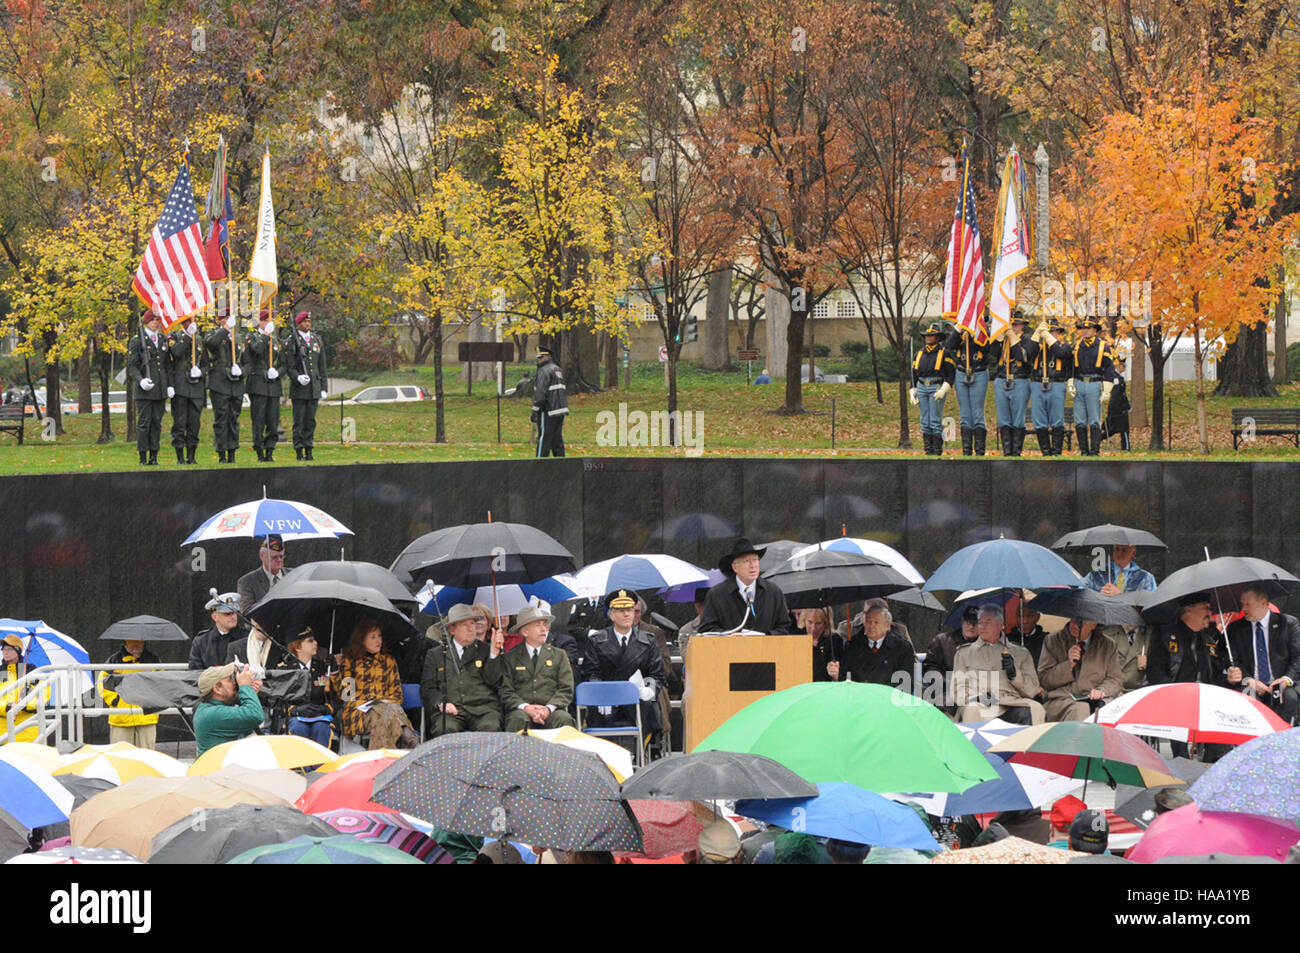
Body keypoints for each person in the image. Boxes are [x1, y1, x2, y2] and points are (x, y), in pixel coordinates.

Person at [581, 590, 667, 742]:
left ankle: (642, 754)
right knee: (597, 718)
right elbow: (591, 673)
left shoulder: (648, 640)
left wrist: (650, 689)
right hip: (606, 700)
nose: (626, 614)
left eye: (630, 610)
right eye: (621, 611)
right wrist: (601, 696)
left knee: (649, 709)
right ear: (611, 615)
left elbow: (657, 674)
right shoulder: (597, 640)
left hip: (637, 700)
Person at [331, 621, 420, 750]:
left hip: (387, 711)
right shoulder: (350, 661)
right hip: (358, 711)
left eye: (379, 636)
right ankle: (410, 741)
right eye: (373, 637)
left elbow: (397, 695)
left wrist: (381, 704)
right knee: (386, 711)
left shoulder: (388, 661)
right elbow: (347, 695)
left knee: (383, 715)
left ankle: (379, 760)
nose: (378, 640)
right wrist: (335, 671)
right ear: (361, 639)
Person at [420, 603, 504, 737]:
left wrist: (494, 653)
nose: (471, 629)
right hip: (451, 710)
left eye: (473, 623)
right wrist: (441, 703)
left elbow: (494, 680)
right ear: (452, 629)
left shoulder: (486, 650)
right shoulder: (436, 654)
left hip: (483, 710)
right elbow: (428, 687)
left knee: (491, 727)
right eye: (464, 625)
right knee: (444, 729)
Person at [953, 606, 1044, 724]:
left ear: (1001, 625)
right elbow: (957, 689)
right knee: (972, 710)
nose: (982, 626)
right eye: (980, 622)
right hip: (979, 704)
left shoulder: (1020, 653)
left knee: (1034, 710)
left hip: (1010, 703)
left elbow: (1033, 690)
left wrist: (1015, 675)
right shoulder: (964, 653)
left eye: (988, 622)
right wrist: (975, 698)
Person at [1225, 586, 1300, 723]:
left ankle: (1280, 740)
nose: (1244, 609)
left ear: (1263, 603)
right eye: (1242, 604)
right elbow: (1232, 660)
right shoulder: (1235, 629)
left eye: (1248, 604)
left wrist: (1286, 679)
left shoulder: (1287, 624)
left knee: (1290, 698)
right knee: (1245, 698)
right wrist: (1248, 680)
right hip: (1251, 684)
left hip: (1280, 683)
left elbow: (1298, 656)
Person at [499, 605, 576, 732]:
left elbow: (566, 688)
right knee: (517, 719)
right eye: (537, 625)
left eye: (544, 625)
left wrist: (548, 708)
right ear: (524, 632)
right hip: (522, 711)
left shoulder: (559, 655)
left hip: (552, 710)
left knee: (564, 719)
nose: (543, 629)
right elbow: (506, 691)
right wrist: (526, 707)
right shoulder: (510, 657)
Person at [698, 538, 793, 635]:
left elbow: (784, 627)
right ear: (735, 567)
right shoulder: (717, 595)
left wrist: (765, 638)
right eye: (747, 561)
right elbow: (707, 629)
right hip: (731, 649)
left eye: (755, 560)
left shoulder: (773, 592)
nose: (753, 565)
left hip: (766, 649)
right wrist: (729, 636)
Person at [1037, 619, 1123, 721]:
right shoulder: (1052, 640)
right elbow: (1044, 679)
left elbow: (1115, 679)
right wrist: (1068, 664)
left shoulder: (1108, 645)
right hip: (1062, 699)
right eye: (1073, 620)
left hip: (1096, 697)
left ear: (1093, 624)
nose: (1074, 625)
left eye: (1080, 622)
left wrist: (1102, 690)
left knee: (1108, 709)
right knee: (1080, 709)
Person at [273, 628, 334, 747]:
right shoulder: (285, 670)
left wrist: (324, 709)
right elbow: (276, 702)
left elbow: (331, 696)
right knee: (299, 728)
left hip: (319, 717)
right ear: (298, 647)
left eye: (315, 640)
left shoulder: (322, 668)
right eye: (310, 641)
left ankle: (320, 765)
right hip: (294, 718)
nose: (315, 643)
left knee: (321, 728)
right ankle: (303, 766)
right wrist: (295, 710)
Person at [1069, 317, 1119, 457]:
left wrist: (1107, 389)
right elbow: (1071, 367)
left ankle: (1094, 451)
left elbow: (1109, 368)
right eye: (1083, 328)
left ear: (1095, 330)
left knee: (1094, 420)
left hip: (1094, 383)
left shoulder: (1103, 346)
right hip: (1079, 383)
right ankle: (1084, 450)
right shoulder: (1077, 345)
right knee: (1079, 420)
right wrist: (1071, 383)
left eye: (1088, 328)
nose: (1085, 331)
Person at [99, 639, 160, 749]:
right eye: (132, 644)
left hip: (146, 717)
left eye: (139, 643)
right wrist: (114, 700)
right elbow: (102, 683)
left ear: (143, 643)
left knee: (147, 756)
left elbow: (162, 683)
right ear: (125, 643)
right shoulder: (114, 660)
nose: (136, 646)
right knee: (121, 756)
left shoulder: (153, 660)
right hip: (121, 719)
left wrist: (151, 677)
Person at [987, 310, 1033, 456]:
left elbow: (1021, 355)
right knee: (1004, 419)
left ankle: (1016, 451)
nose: (1013, 327)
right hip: (1002, 379)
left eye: (1016, 324)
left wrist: (1012, 336)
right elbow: (993, 353)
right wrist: (999, 338)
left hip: (1020, 379)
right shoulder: (1003, 339)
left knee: (1018, 419)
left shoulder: (1027, 341)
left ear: (1022, 326)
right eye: (1011, 324)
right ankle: (1007, 451)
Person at [127, 310, 169, 466]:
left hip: (159, 389)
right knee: (144, 423)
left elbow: (165, 365)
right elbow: (132, 366)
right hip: (144, 390)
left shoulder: (161, 339)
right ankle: (143, 456)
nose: (156, 323)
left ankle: (154, 455)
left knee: (157, 423)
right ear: (146, 322)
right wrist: (140, 380)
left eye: (157, 320)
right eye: (153, 320)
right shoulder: (137, 340)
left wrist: (168, 385)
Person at [194, 663, 264, 757]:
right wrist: (245, 687)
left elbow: (248, 723)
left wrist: (249, 691)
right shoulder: (210, 714)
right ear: (217, 689)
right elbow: (255, 715)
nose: (235, 682)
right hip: (218, 770)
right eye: (230, 678)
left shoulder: (211, 708)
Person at [204, 309, 245, 463]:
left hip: (236, 384)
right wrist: (225, 329)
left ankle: (232, 452)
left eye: (229, 318)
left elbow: (247, 362)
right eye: (225, 318)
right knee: (221, 418)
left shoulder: (238, 338)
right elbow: (211, 344)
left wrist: (241, 371)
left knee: (233, 418)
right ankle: (222, 452)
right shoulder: (213, 334)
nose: (228, 320)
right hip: (219, 384)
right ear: (220, 320)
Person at [285, 310, 327, 461]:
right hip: (299, 389)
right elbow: (289, 366)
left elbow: (322, 367)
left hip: (313, 387)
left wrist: (323, 388)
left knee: (310, 421)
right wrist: (297, 377)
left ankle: (309, 449)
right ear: (298, 323)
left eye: (309, 322)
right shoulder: (292, 341)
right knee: (299, 422)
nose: (307, 324)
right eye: (304, 322)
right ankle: (299, 450)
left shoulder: (316, 340)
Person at [923, 605, 980, 716]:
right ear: (962, 621)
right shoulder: (942, 641)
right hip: (946, 691)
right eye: (968, 622)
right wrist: (950, 683)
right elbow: (929, 669)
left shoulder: (986, 645)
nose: (971, 626)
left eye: (976, 623)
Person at [944, 317, 990, 456]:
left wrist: (975, 332)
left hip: (979, 372)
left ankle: (980, 450)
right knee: (965, 414)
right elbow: (950, 345)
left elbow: (986, 348)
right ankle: (967, 451)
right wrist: (959, 329)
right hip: (961, 371)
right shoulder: (961, 332)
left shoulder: (983, 330)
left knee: (977, 412)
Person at [243, 309, 283, 463]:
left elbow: (283, 363)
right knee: (258, 420)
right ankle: (259, 451)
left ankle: (270, 450)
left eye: (269, 320)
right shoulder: (251, 337)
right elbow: (257, 350)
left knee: (273, 421)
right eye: (264, 320)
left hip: (273, 386)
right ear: (258, 322)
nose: (267, 323)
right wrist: (265, 335)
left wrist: (278, 372)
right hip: (258, 385)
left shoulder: (276, 340)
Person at [843, 603, 915, 688]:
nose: (871, 626)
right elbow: (846, 676)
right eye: (868, 621)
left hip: (889, 698)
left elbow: (907, 681)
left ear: (888, 625)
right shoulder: (853, 645)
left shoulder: (902, 647)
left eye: (876, 622)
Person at [910, 323, 955, 456]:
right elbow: (913, 373)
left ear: (937, 337)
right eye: (927, 335)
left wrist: (944, 389)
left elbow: (951, 373)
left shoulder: (944, 353)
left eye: (932, 335)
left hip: (936, 386)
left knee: (935, 420)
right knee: (924, 420)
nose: (929, 338)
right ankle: (928, 450)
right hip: (922, 387)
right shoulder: (919, 353)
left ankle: (936, 451)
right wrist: (912, 389)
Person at [166, 316, 206, 465]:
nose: (189, 324)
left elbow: (206, 363)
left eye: (191, 321)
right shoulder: (174, 337)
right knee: (180, 422)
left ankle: (192, 455)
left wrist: (200, 371)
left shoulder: (200, 340)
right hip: (180, 385)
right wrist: (188, 336)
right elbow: (176, 352)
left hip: (195, 387)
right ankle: (180, 456)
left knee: (194, 423)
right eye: (186, 321)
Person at [1028, 318, 1072, 456]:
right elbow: (1028, 352)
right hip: (1037, 383)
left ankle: (1056, 451)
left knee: (1057, 419)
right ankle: (1045, 451)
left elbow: (1061, 353)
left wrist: (1047, 336)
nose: (1051, 334)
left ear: (1058, 333)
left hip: (1056, 384)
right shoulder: (1038, 348)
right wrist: (1037, 334)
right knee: (1039, 420)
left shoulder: (1065, 346)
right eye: (1048, 331)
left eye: (1053, 331)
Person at [188, 591, 247, 670]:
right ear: (215, 617)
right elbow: (194, 673)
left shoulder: (247, 637)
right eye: (227, 614)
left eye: (235, 613)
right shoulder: (201, 641)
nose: (233, 617)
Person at [531, 345, 569, 457]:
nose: (539, 359)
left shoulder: (544, 371)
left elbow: (540, 393)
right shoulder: (557, 369)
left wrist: (535, 410)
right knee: (556, 439)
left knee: (544, 439)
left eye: (541, 357)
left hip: (549, 409)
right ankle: (561, 465)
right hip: (560, 409)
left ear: (547, 356)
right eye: (538, 357)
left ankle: (539, 465)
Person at [236, 534, 286, 615]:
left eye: (281, 556)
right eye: (274, 557)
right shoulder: (247, 581)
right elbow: (246, 613)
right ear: (262, 555)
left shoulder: (294, 574)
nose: (279, 560)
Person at [1083, 544, 1157, 596]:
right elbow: (1081, 596)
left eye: (1124, 550)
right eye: (1117, 549)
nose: (1119, 553)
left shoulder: (1145, 578)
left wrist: (1120, 596)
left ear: (1133, 553)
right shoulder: (1095, 575)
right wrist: (1098, 596)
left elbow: (1149, 605)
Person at [804, 607, 844, 682]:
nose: (813, 628)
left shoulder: (834, 640)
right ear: (804, 620)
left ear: (826, 623)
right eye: (810, 622)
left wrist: (835, 673)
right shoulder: (797, 638)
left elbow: (841, 672)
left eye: (818, 624)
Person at [1102, 357, 1131, 450]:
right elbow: (1117, 395)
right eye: (1123, 366)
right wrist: (1124, 407)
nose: (1124, 368)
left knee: (1112, 430)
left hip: (1118, 408)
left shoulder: (1118, 377)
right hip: (1118, 409)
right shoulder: (1115, 378)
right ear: (1118, 365)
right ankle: (1126, 448)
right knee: (1123, 430)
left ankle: (1096, 440)